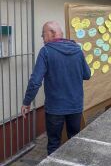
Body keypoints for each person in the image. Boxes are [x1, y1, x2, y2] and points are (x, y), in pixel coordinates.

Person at [21, 21, 91, 155]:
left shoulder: (46, 51)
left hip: (55, 108)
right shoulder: (77, 50)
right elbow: (87, 75)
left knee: (54, 144)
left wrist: (27, 102)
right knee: (74, 140)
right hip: (75, 105)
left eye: (43, 34)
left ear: (52, 33)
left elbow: (35, 81)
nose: (42, 38)